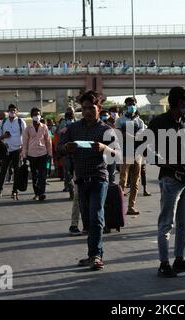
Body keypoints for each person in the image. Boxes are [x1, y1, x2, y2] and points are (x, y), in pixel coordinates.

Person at [57, 90, 120, 271]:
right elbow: (59, 148)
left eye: (91, 108)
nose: (87, 111)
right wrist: (66, 147)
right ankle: (91, 254)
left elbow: (117, 154)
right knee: (88, 221)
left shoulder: (106, 130)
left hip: (99, 178)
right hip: (81, 180)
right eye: (84, 108)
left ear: (98, 108)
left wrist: (104, 148)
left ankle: (96, 256)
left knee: (96, 217)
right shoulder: (73, 129)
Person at [148, 86, 185, 278]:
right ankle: (164, 264)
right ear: (179, 102)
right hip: (170, 180)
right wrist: (164, 162)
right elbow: (143, 148)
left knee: (184, 224)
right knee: (166, 224)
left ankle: (179, 260)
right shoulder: (159, 123)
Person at [116, 97, 145, 215]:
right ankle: (119, 206)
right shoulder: (120, 120)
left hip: (137, 154)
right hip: (124, 154)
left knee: (135, 182)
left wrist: (127, 134)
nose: (131, 106)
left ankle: (131, 207)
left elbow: (141, 136)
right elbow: (118, 135)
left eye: (133, 104)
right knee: (123, 181)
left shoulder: (140, 122)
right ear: (125, 106)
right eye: (129, 104)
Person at [0, 103, 26, 200]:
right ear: (8, 111)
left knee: (17, 171)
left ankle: (14, 191)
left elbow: (25, 136)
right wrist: (4, 136)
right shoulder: (3, 122)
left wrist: (23, 149)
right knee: (3, 171)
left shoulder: (21, 122)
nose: (12, 112)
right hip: (6, 150)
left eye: (14, 110)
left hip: (17, 149)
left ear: (17, 111)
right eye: (11, 110)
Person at [22, 108, 52, 201]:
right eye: (35, 115)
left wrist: (50, 153)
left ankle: (41, 193)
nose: (37, 116)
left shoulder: (44, 127)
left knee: (42, 174)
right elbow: (25, 142)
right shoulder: (28, 128)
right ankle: (36, 192)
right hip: (32, 154)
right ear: (32, 117)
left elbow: (48, 141)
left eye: (38, 114)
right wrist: (24, 155)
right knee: (34, 175)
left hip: (43, 153)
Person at [59, 107, 77, 200]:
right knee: (68, 171)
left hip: (76, 150)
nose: (70, 113)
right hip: (66, 150)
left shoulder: (77, 121)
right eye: (68, 112)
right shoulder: (63, 122)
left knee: (76, 171)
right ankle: (71, 189)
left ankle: (75, 189)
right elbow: (60, 133)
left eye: (72, 112)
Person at [100, 109, 116, 184]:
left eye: (106, 115)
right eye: (103, 115)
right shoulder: (97, 127)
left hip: (111, 153)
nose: (105, 117)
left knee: (111, 176)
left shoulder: (112, 125)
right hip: (100, 155)